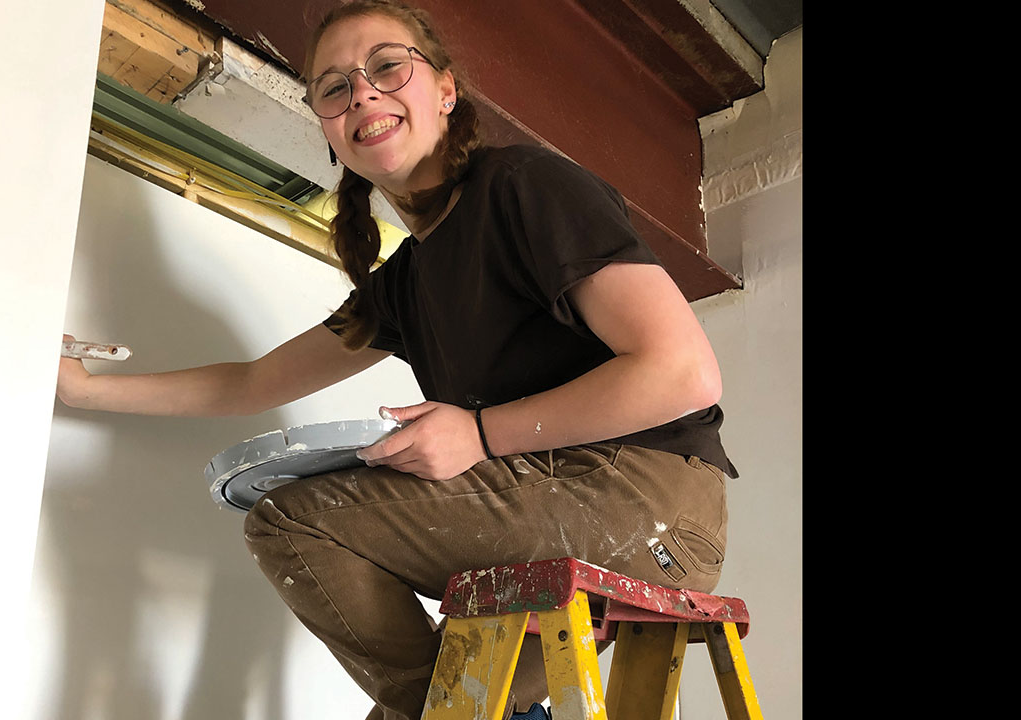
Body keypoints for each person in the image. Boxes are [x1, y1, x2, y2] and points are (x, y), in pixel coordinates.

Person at [56, 1, 737, 718]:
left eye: (386, 67)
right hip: (567, 507)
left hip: (651, 502)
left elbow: (682, 373)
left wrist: (479, 434)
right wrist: (84, 390)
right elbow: (253, 382)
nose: (361, 92)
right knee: (447, 695)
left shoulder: (524, 186)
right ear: (327, 129)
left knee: (297, 522)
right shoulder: (403, 283)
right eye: (334, 87)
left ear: (445, 90)